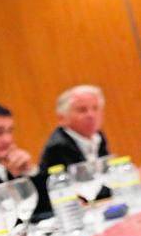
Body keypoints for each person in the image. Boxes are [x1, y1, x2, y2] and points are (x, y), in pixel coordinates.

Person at [34, 84, 111, 216]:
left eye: (95, 108)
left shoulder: (98, 136)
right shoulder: (58, 146)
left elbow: (105, 175)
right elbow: (85, 190)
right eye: (82, 110)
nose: (91, 115)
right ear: (62, 118)